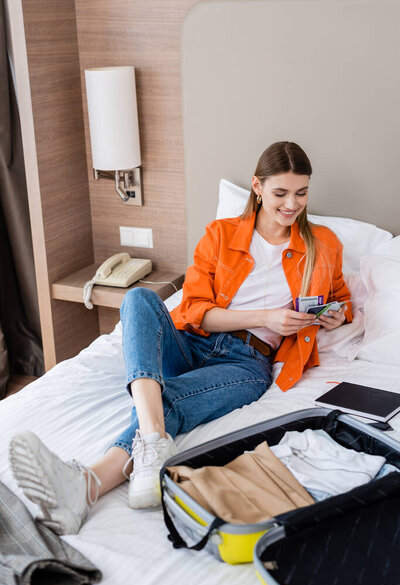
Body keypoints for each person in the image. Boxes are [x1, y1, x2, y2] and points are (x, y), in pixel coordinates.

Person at [8, 141, 352, 536]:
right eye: (281, 193)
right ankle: (154, 442)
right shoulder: (221, 234)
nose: (292, 204)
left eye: (301, 193)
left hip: (246, 364)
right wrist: (267, 316)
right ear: (257, 187)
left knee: (163, 396)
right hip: (192, 342)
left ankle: (87, 485)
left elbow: (341, 301)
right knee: (137, 298)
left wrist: (336, 317)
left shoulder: (323, 244)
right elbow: (192, 310)